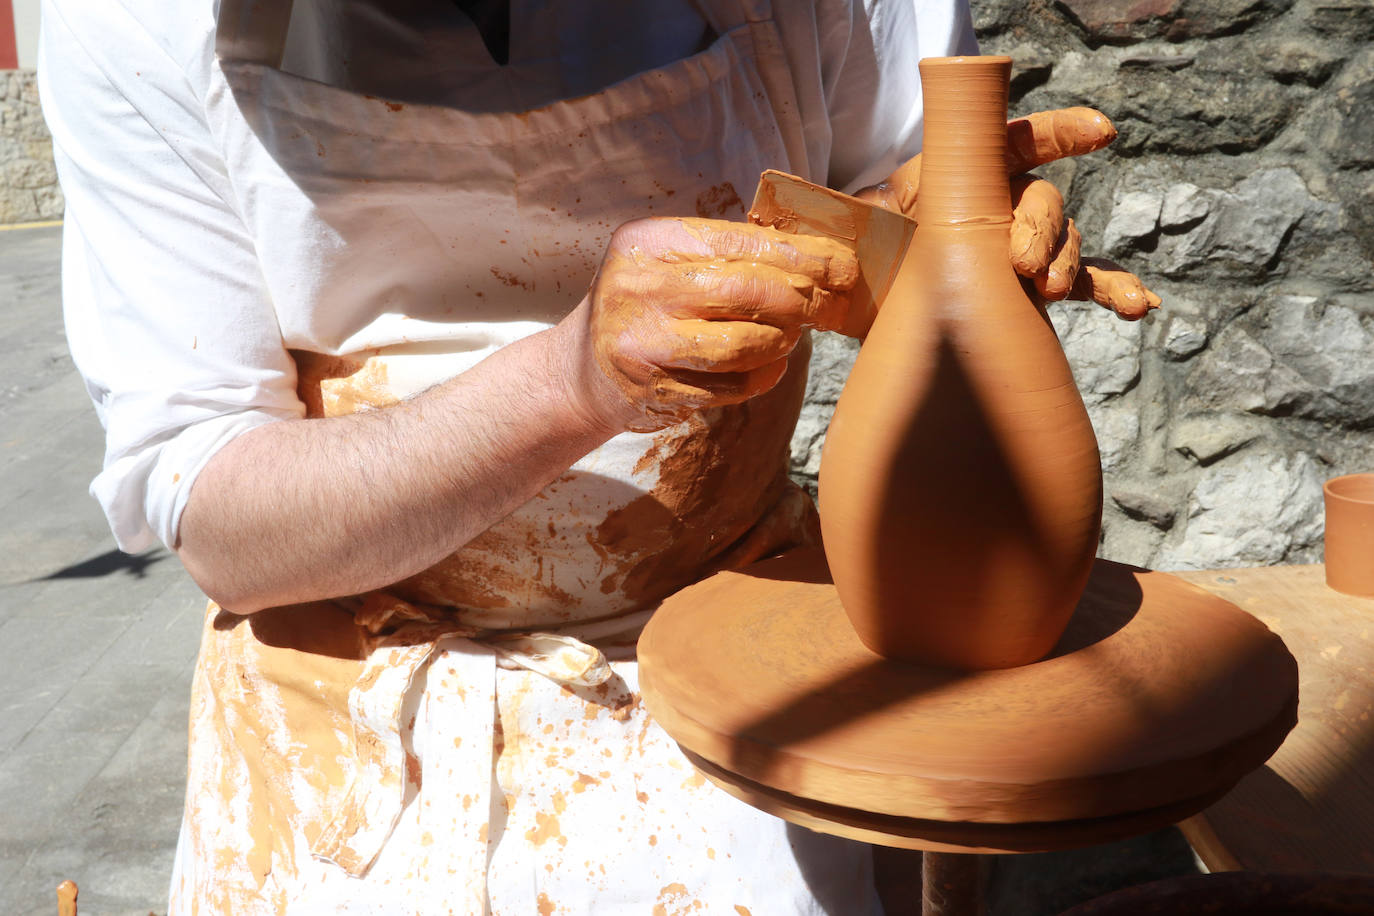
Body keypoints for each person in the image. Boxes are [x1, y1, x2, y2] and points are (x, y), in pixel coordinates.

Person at [39, 0, 1157, 911]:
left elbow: (884, 239)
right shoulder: (134, 26)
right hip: (344, 709)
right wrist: (570, 381)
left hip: (735, 669)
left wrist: (917, 246)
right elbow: (224, 524)